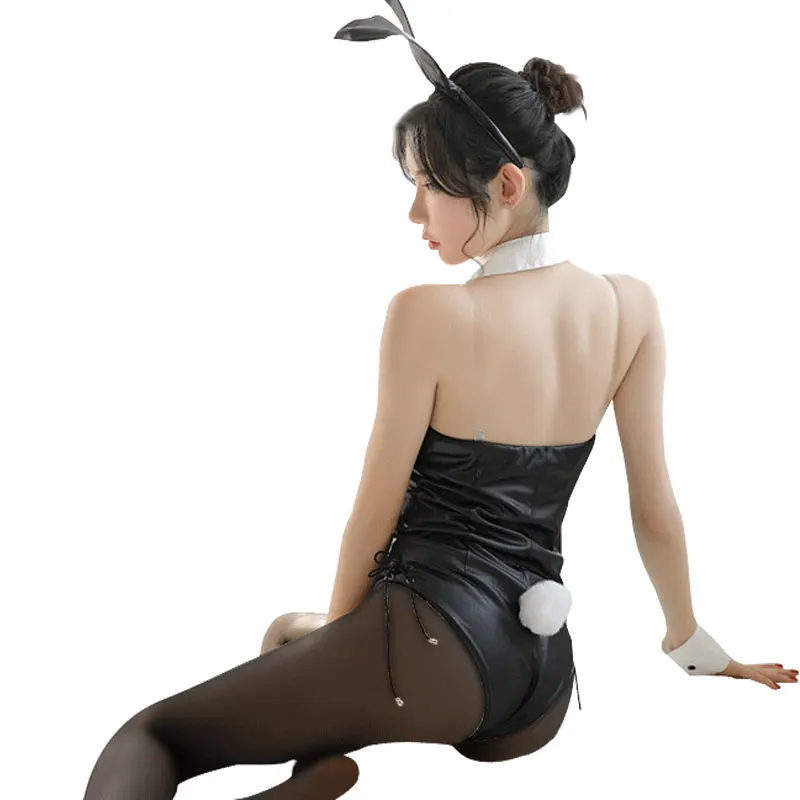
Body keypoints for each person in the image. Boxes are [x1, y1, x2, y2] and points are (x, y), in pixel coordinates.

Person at [82, 2, 798, 798]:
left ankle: (319, 752)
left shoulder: (431, 313)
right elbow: (654, 508)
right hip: (539, 682)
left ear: (506, 184)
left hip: (432, 652)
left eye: (429, 186)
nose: (415, 213)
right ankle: (310, 772)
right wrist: (697, 649)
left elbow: (372, 515)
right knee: (286, 633)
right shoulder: (631, 306)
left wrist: (340, 651)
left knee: (150, 737)